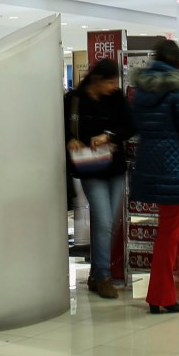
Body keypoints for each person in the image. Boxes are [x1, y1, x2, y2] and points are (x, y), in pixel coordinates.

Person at [129, 40, 179, 315]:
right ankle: (161, 295)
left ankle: (177, 289)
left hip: (151, 162)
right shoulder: (178, 87)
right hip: (175, 165)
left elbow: (137, 124)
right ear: (177, 62)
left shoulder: (142, 89)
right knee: (169, 234)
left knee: (175, 229)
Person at [64, 58, 133, 299]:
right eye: (110, 82)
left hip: (114, 168)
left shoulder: (116, 98)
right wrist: (70, 141)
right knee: (103, 222)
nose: (114, 87)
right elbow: (61, 129)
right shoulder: (74, 100)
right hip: (90, 169)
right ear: (97, 80)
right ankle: (104, 276)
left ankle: (95, 273)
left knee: (109, 223)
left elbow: (130, 126)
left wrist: (108, 136)